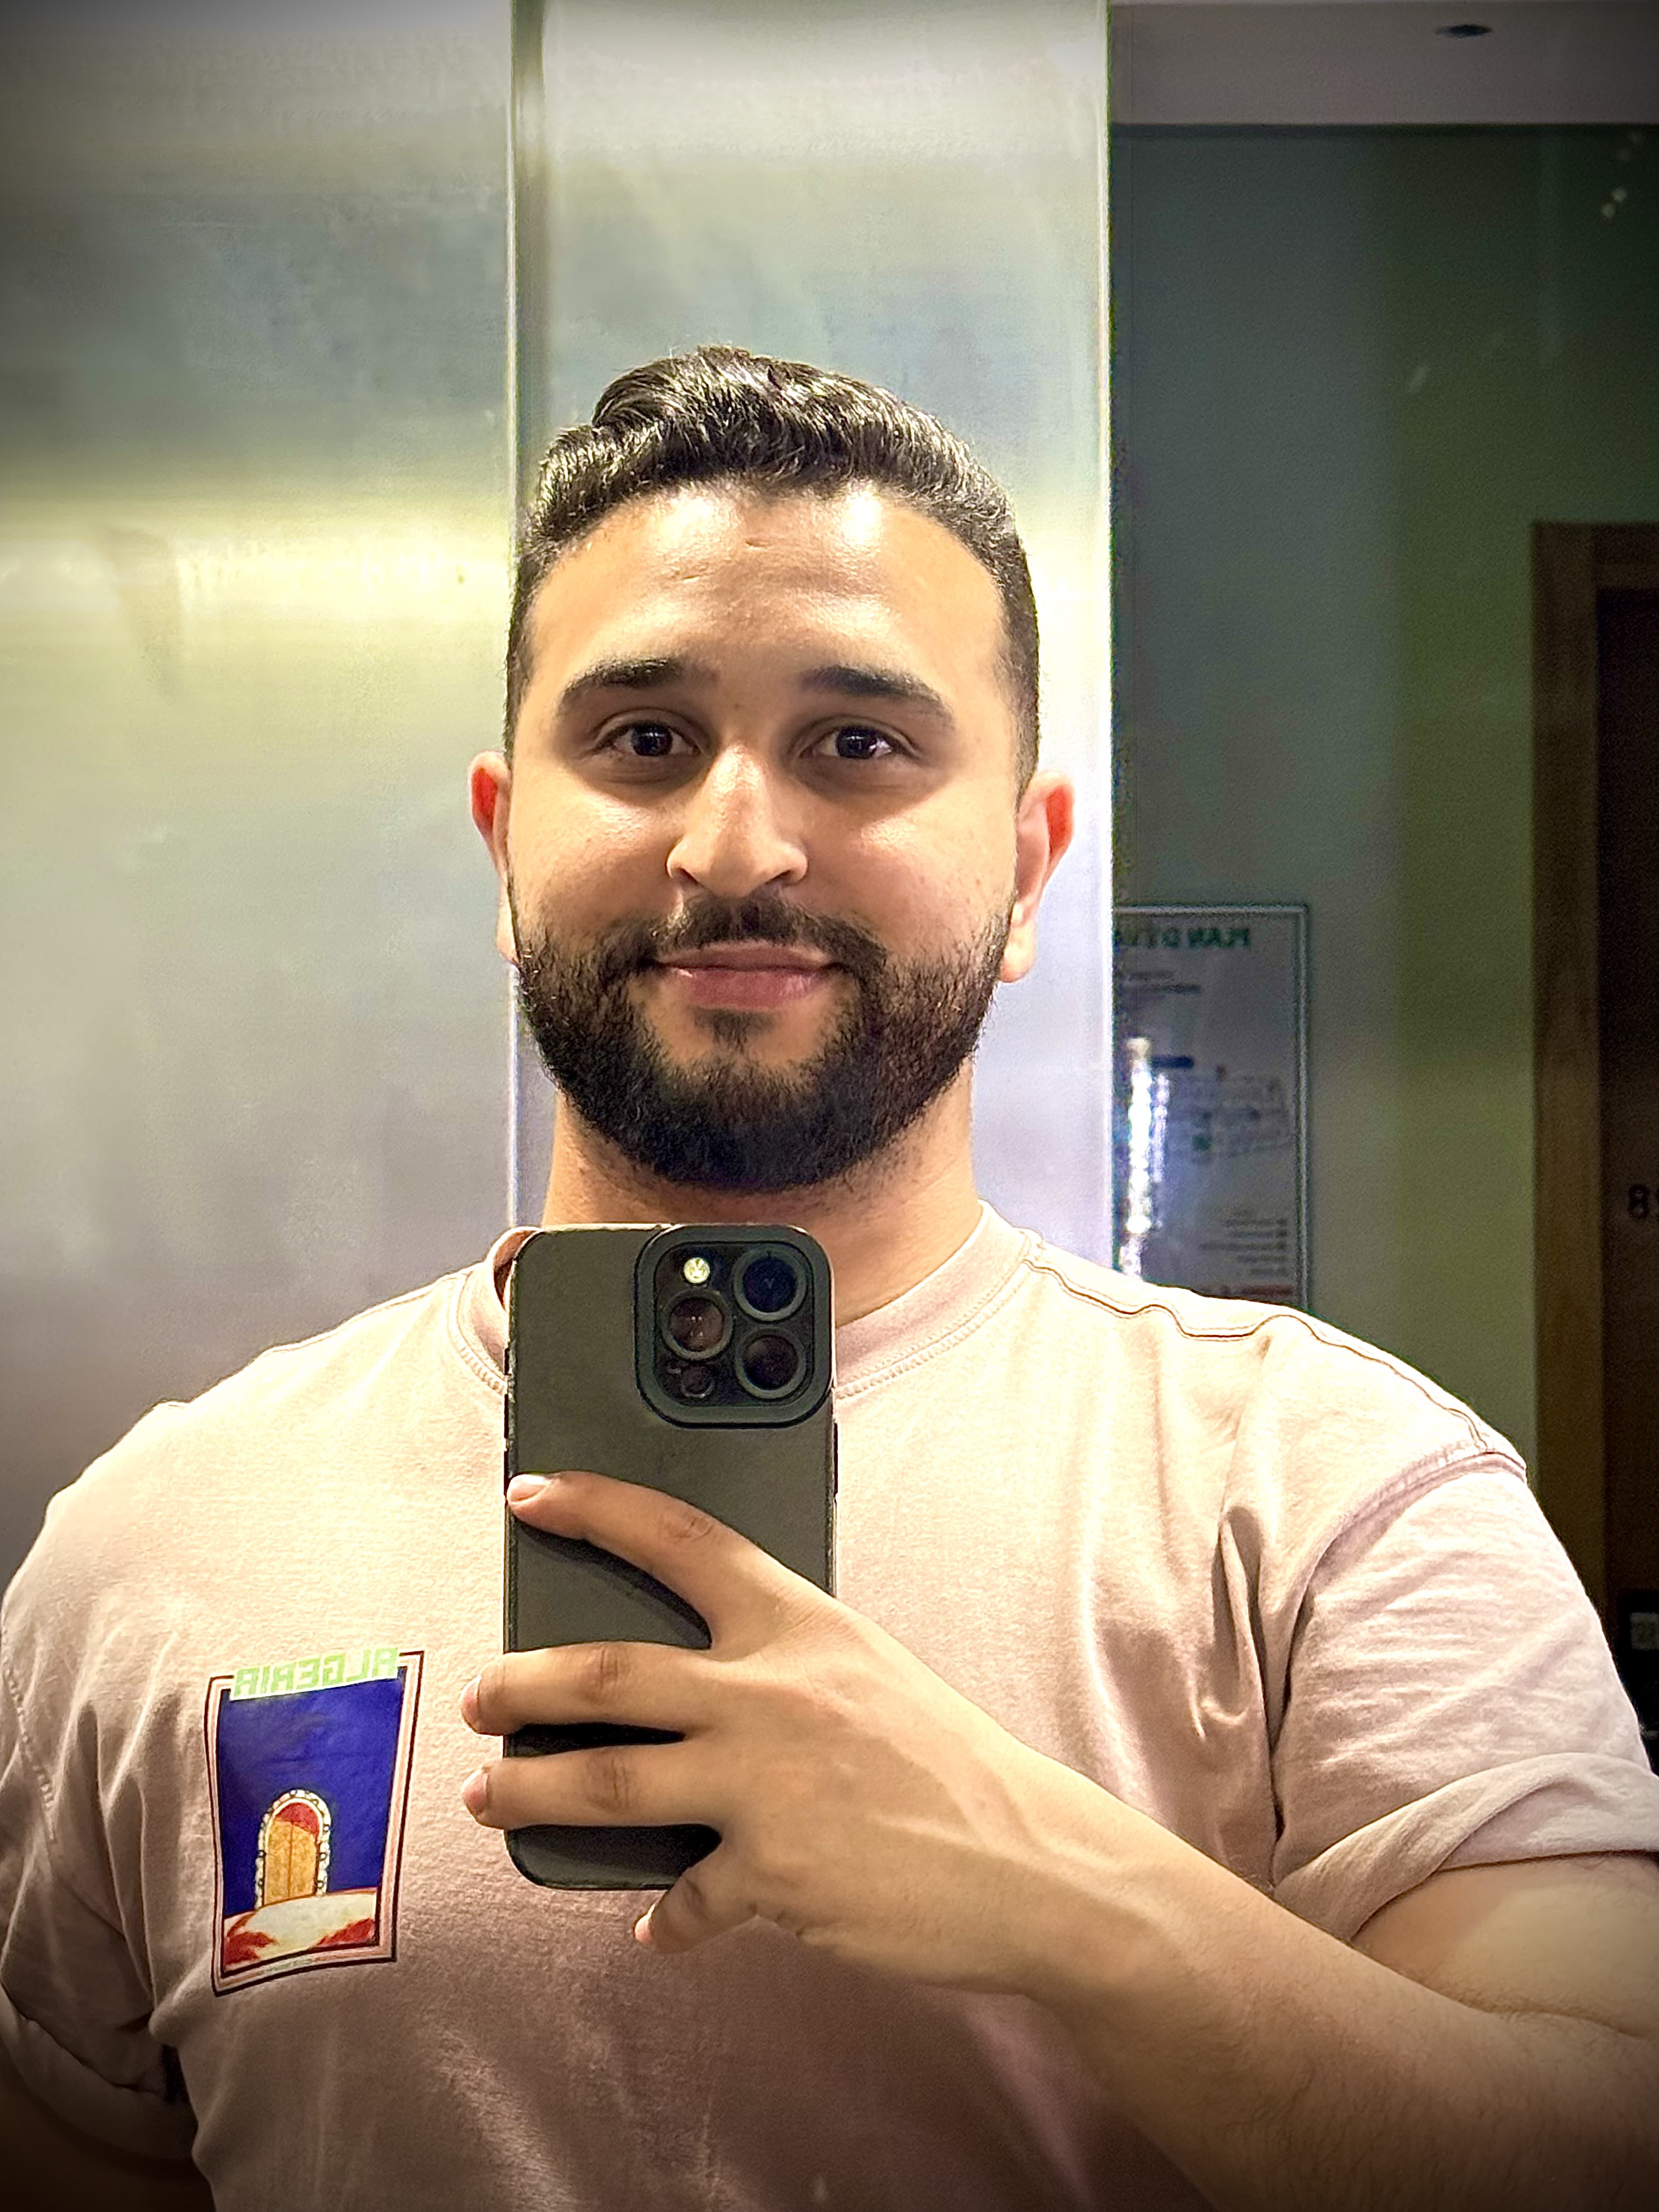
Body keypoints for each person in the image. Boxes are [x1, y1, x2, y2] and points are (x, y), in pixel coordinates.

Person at [4, 346, 1658, 2212]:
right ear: (503, 839)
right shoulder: (154, 1543)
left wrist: (1057, 1889)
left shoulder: (1327, 1497)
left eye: (859, 745)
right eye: (643, 740)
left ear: (1028, 868)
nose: (737, 844)